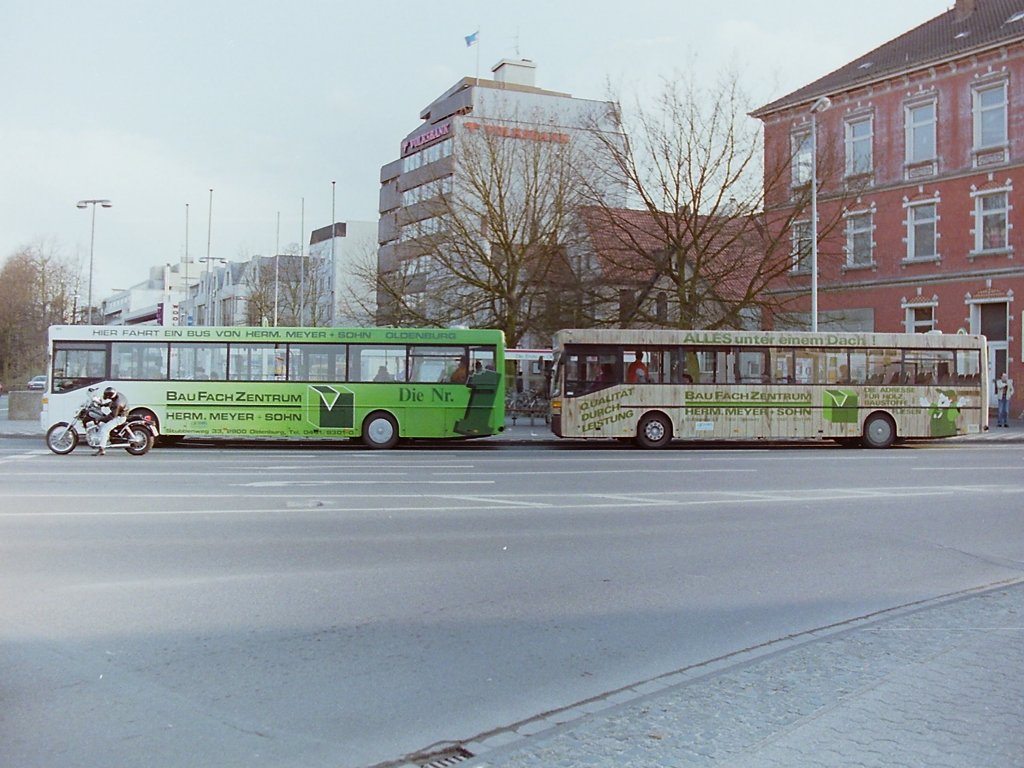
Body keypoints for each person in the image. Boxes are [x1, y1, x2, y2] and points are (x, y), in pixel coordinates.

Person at [94, 386, 128, 456]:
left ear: (110, 396)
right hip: (120, 413)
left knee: (104, 429)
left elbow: (112, 416)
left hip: (120, 417)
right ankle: (104, 440)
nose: (107, 398)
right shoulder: (117, 395)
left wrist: (100, 419)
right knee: (103, 425)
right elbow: (111, 402)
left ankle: (102, 449)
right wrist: (102, 405)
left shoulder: (117, 403)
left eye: (108, 396)